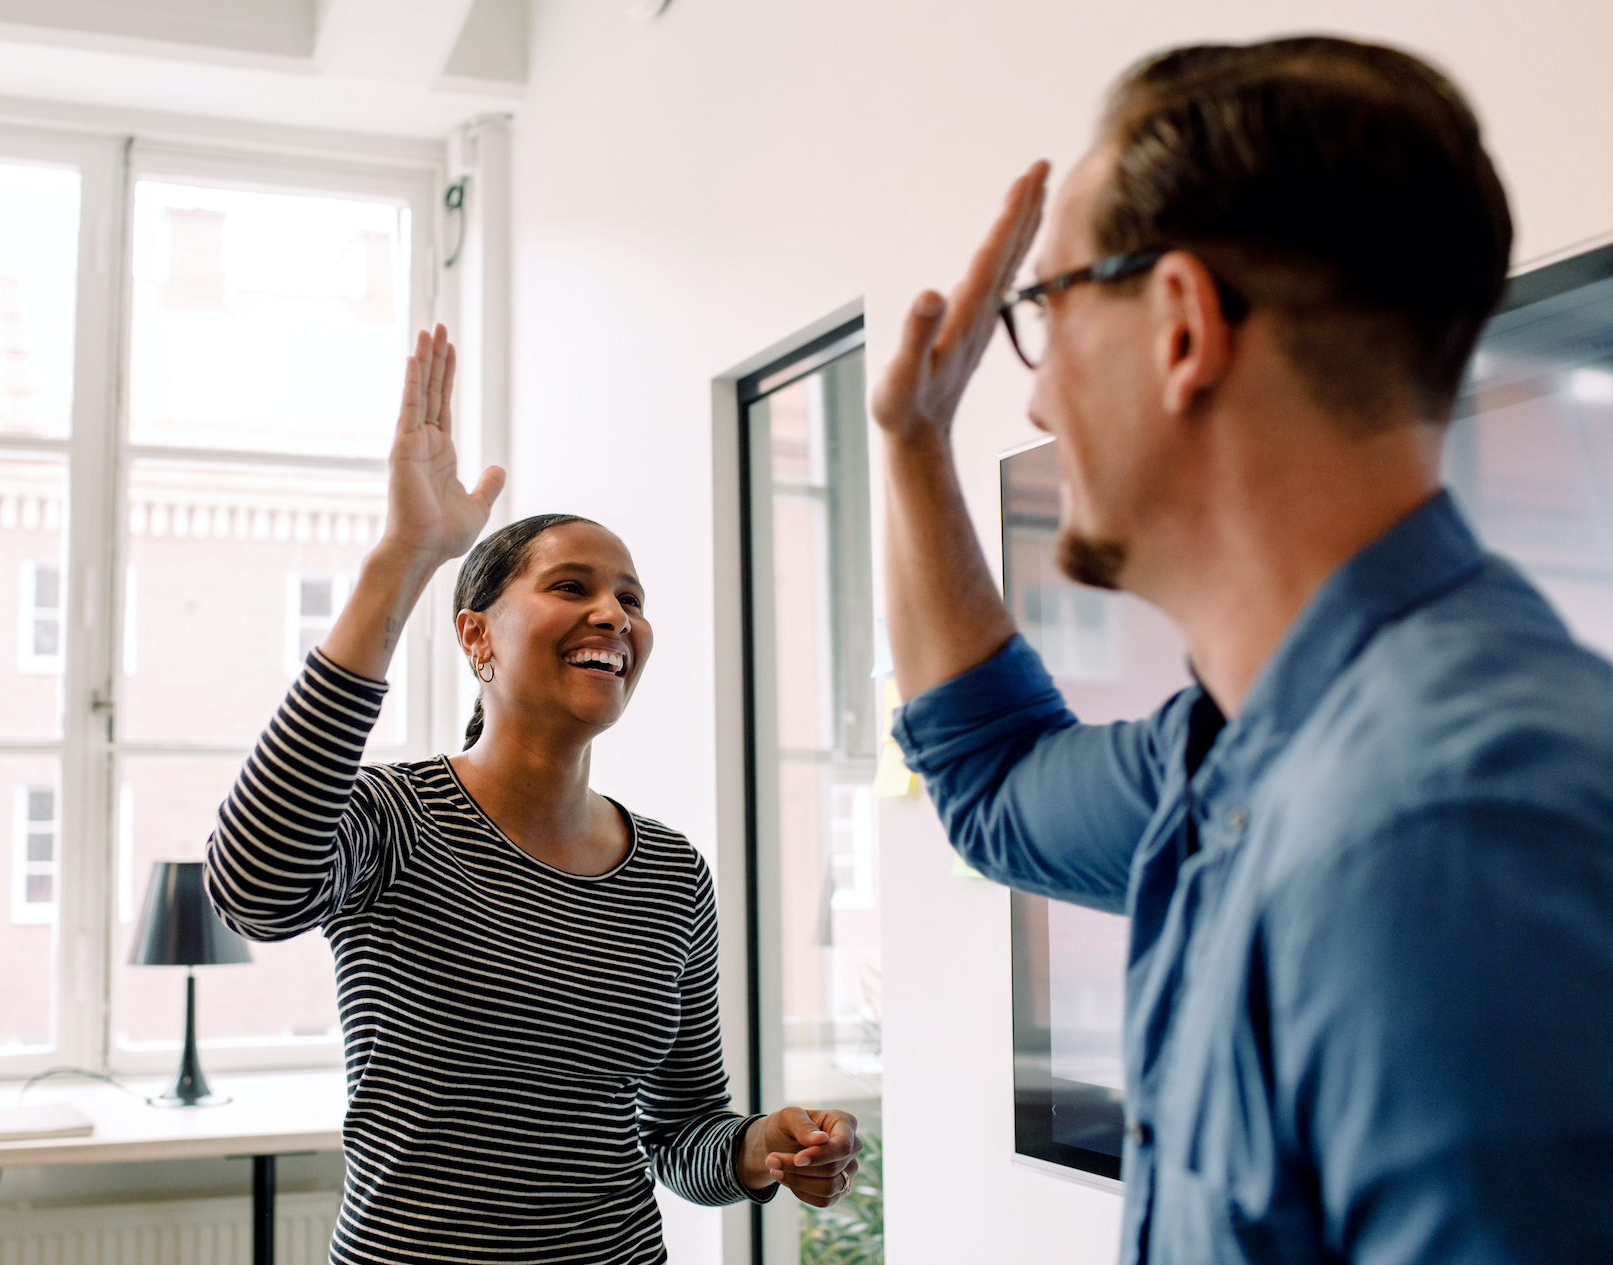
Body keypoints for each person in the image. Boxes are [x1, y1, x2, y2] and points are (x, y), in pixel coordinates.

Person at [874, 36, 1613, 1265]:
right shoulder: (1228, 751)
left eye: (1045, 311)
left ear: (1179, 327)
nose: (1037, 398)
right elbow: (993, 783)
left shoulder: (1449, 828)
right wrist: (910, 446)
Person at [205, 325, 860, 1264]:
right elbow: (252, 891)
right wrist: (404, 556)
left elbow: (685, 1136)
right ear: (477, 638)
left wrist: (770, 1147)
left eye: (631, 598)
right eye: (572, 586)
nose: (615, 615)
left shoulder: (671, 872)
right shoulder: (396, 819)